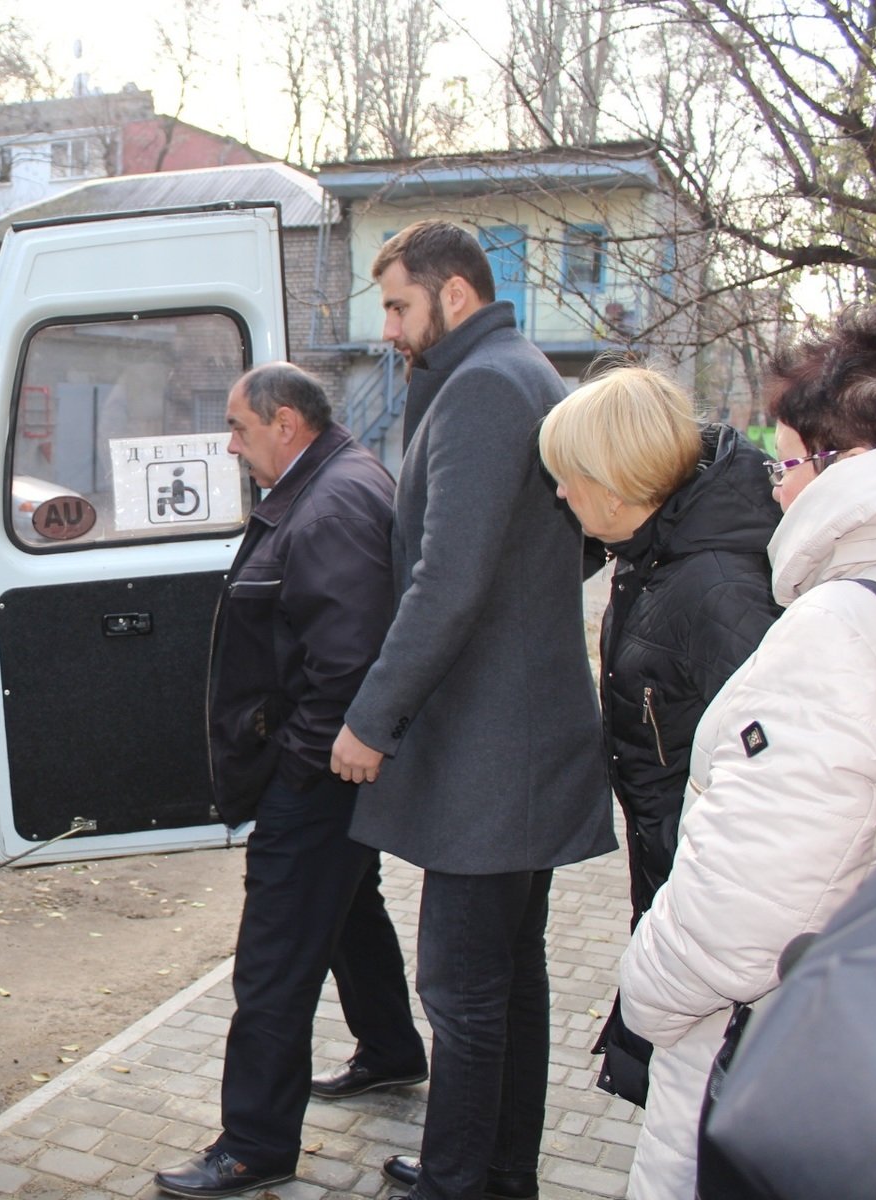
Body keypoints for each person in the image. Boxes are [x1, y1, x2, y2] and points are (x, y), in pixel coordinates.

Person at [618, 301, 876, 1199]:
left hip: (783, 1043)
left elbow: (742, 919)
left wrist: (643, 986)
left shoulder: (841, 629)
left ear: (852, 462)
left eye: (790, 459)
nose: (775, 485)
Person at [329, 220, 617, 1200]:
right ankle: (495, 1167)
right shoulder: (518, 371)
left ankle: (461, 1180)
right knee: (504, 983)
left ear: (454, 295)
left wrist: (371, 720)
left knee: (461, 989)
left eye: (401, 307)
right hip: (516, 743)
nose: (390, 330)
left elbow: (445, 581)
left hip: (496, 755)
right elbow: (557, 551)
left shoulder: (487, 387)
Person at [153, 362, 424, 1198]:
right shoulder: (332, 477)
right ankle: (390, 1050)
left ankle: (254, 1144)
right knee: (348, 905)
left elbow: (348, 663)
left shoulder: (333, 502)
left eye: (237, 428)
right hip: (330, 775)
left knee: (272, 961)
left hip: (318, 776)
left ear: (284, 424)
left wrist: (297, 771)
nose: (232, 446)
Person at [539, 367, 782, 923]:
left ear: (612, 483)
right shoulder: (650, 554)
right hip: (672, 878)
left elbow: (769, 790)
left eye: (567, 475)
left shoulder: (719, 591)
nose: (560, 492)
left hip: (710, 906)